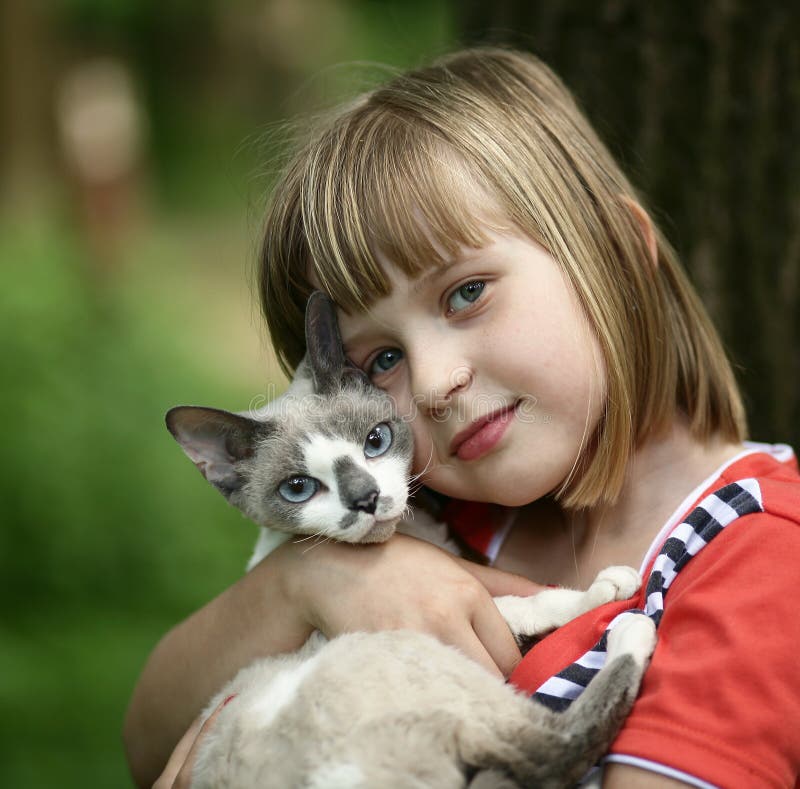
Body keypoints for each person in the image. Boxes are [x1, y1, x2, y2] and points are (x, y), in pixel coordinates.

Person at [124, 48, 800, 788]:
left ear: (619, 253)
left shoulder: (759, 558)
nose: (438, 383)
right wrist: (300, 584)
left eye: (466, 292)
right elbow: (146, 738)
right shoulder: (430, 507)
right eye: (380, 361)